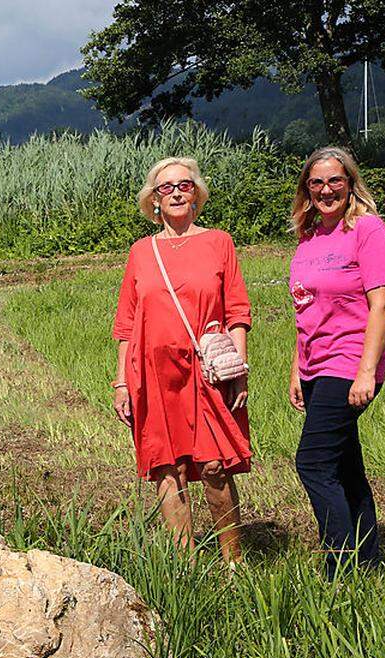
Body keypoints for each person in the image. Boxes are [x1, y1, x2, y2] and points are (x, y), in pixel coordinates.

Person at [112, 156, 252, 563]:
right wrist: (122, 382)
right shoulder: (141, 252)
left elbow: (237, 312)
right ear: (153, 200)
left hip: (207, 372)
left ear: (197, 194)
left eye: (183, 185)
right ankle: (185, 567)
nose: (175, 192)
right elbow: (126, 323)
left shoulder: (219, 242)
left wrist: (238, 371)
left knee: (214, 466)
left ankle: (234, 563)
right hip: (153, 374)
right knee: (166, 467)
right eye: (165, 188)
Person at [288, 147, 385, 578]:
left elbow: (382, 305)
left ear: (350, 183)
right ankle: (367, 564)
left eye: (335, 180)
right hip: (317, 366)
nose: (326, 189)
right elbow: (306, 308)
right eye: (316, 182)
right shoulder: (310, 236)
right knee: (344, 467)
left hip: (350, 363)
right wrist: (298, 368)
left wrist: (366, 372)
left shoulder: (368, 230)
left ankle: (340, 568)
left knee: (313, 462)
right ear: (307, 189)